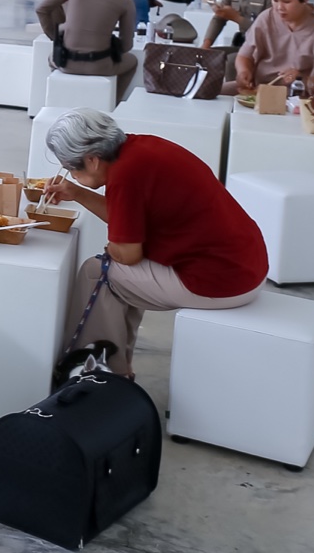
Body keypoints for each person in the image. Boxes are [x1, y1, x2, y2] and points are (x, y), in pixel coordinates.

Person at [43, 109, 267, 379]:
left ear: (91, 159)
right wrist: (77, 193)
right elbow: (128, 217)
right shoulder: (141, 148)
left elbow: (128, 254)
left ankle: (92, 377)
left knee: (98, 272)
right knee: (122, 276)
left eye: (70, 168)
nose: (71, 175)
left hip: (220, 281)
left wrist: (114, 247)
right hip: (246, 263)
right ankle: (116, 370)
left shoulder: (125, 176)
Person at [36, 0, 139, 99]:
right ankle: (114, 103)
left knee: (51, 58)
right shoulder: (126, 0)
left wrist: (55, 38)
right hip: (100, 66)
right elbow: (126, 46)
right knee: (132, 61)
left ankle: (56, 99)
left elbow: (41, 9)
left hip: (65, 62)